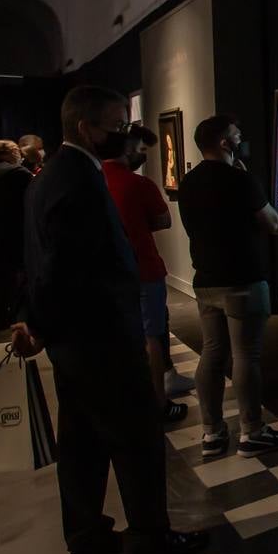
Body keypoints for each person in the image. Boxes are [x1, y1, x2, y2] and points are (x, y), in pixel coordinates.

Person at [12, 85, 207, 554]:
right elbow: (60, 266)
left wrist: (35, 321)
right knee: (137, 440)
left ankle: (88, 539)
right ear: (86, 128)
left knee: (81, 445)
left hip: (75, 340)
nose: (123, 134)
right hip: (98, 340)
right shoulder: (76, 181)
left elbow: (38, 260)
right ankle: (148, 538)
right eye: (116, 125)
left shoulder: (52, 175)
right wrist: (36, 321)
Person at [178, 114, 278, 458]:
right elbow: (271, 221)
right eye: (237, 135)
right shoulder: (239, 179)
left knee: (212, 353)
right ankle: (252, 430)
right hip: (242, 279)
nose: (242, 139)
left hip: (206, 281)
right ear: (225, 143)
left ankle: (212, 433)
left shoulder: (189, 182)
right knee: (246, 355)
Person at [103, 124, 191, 422]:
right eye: (141, 150)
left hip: (108, 274)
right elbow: (163, 220)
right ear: (128, 149)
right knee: (152, 334)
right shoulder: (138, 185)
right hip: (143, 268)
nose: (143, 156)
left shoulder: (92, 179)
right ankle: (158, 402)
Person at [0, 140, 33, 330]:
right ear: (10, 153)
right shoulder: (17, 173)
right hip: (16, 232)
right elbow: (33, 198)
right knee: (20, 276)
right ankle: (20, 317)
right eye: (17, 150)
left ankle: (0, 317)